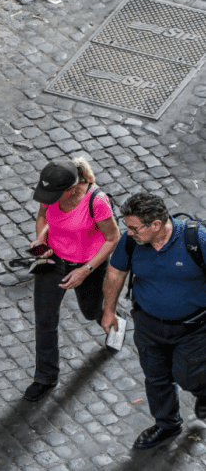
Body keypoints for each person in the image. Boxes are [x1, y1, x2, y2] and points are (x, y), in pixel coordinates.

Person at [101, 192, 206, 450]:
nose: (129, 233)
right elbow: (116, 274)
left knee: (190, 376)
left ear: (156, 225)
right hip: (148, 324)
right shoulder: (131, 242)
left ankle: (203, 393)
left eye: (135, 228)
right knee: (155, 378)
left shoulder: (197, 240)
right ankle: (167, 423)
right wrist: (109, 311)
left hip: (193, 327)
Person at [25, 157, 120, 402]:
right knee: (45, 320)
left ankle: (110, 317)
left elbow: (112, 238)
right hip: (54, 260)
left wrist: (85, 270)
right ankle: (45, 377)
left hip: (87, 264)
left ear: (71, 188)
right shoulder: (51, 195)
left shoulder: (97, 202)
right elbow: (43, 217)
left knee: (90, 311)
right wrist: (41, 240)